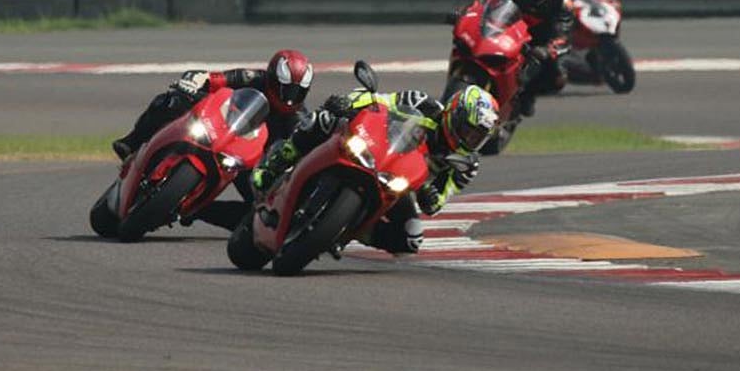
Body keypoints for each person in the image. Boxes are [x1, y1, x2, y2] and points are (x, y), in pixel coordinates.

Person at [250, 85, 500, 255]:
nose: (469, 138)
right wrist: (348, 103)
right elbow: (378, 100)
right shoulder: (422, 103)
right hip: (372, 146)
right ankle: (277, 163)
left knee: (411, 238)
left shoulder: (465, 165)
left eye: (477, 137)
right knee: (323, 120)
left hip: (398, 184)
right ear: (454, 113)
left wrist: (430, 196)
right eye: (467, 129)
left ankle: (351, 231)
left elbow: (438, 202)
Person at [111, 49, 314, 228]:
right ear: (271, 78)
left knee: (258, 212)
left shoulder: (298, 120)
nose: (289, 98)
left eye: (297, 92)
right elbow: (209, 77)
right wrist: (192, 82)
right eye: (285, 89)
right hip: (215, 125)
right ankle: (131, 143)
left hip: (244, 160)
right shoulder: (252, 78)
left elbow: (302, 150)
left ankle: (199, 211)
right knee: (171, 100)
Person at [487, 0, 574, 116]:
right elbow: (487, 5)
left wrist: (547, 50)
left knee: (557, 78)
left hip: (540, 43)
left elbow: (564, 34)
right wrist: (468, 13)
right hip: (507, 34)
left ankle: (527, 95)